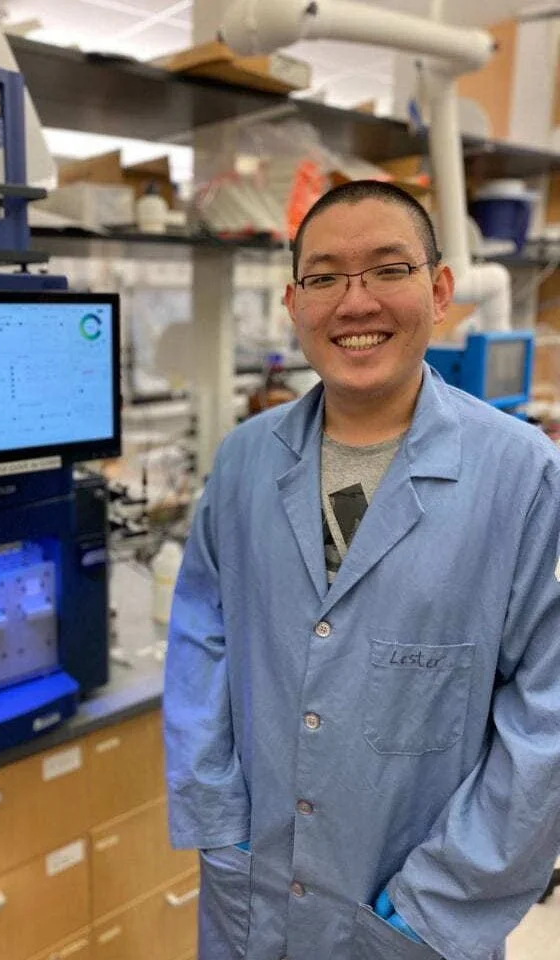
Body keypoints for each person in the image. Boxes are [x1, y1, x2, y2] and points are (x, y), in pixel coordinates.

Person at [163, 179, 560, 960]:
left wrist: (436, 907)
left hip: (415, 914)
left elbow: (547, 718)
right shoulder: (245, 461)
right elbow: (200, 641)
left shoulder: (522, 476)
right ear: (293, 302)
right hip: (252, 896)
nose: (356, 302)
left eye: (388, 269)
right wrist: (216, 817)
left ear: (439, 291)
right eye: (324, 277)